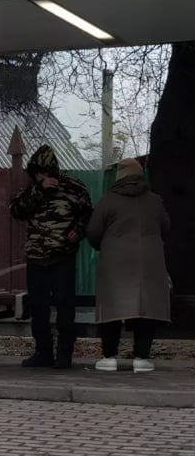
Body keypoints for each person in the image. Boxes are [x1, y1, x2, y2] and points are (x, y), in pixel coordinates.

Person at [9, 145, 93, 369]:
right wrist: (39, 189)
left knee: (66, 307)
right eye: (36, 173)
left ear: (51, 171)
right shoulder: (31, 189)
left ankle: (64, 354)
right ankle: (42, 352)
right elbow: (17, 211)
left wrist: (79, 230)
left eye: (42, 172)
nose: (39, 176)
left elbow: (88, 215)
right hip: (36, 257)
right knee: (38, 307)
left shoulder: (74, 187)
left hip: (63, 256)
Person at [86, 158, 171, 373]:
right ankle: (141, 358)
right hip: (149, 262)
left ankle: (109, 357)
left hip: (115, 262)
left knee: (112, 308)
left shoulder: (108, 201)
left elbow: (93, 232)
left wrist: (103, 246)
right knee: (145, 307)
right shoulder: (154, 201)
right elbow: (166, 227)